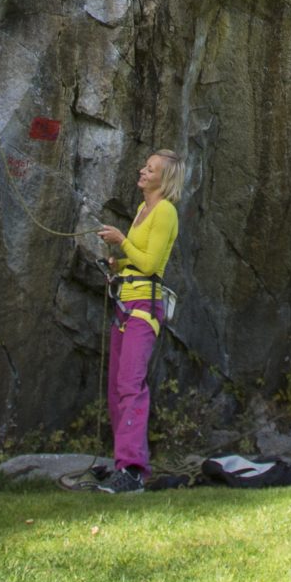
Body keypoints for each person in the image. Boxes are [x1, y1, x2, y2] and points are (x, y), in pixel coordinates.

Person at [93, 148, 182, 494]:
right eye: (145, 166)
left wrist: (121, 242)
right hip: (125, 305)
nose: (142, 172)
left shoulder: (165, 212)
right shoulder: (143, 211)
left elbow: (149, 264)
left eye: (151, 169)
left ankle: (132, 470)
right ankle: (122, 464)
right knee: (118, 386)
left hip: (144, 309)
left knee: (131, 385)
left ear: (164, 180)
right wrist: (117, 266)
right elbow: (134, 261)